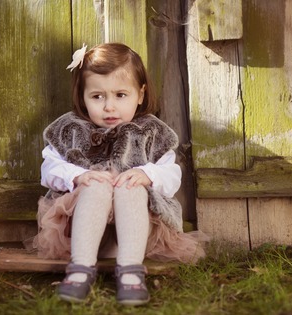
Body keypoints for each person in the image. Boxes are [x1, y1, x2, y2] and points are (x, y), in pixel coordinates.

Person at [32, 42, 206, 305]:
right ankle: (80, 268)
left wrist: (147, 174)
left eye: (120, 95)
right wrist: (77, 177)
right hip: (81, 233)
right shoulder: (70, 130)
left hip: (136, 236)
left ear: (140, 94)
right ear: (82, 96)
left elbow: (171, 174)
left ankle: (130, 272)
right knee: (96, 185)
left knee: (131, 186)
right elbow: (49, 168)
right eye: (97, 96)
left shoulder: (152, 133)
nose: (109, 107)